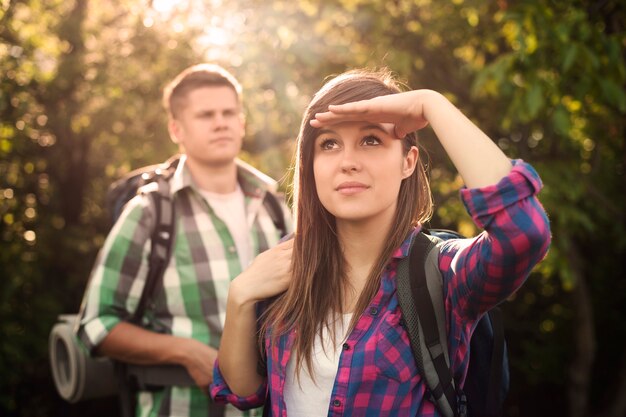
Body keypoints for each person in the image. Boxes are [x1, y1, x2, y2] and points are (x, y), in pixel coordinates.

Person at [210, 69, 551, 416]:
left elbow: (523, 232)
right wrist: (240, 298)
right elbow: (244, 392)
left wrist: (430, 103)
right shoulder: (290, 260)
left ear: (408, 162)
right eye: (329, 144)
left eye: (370, 140)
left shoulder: (442, 275)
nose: (348, 162)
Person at [77, 63, 291, 417]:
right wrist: (186, 352)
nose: (221, 122)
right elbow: (96, 325)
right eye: (205, 114)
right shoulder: (149, 212)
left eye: (229, 112)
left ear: (242, 122)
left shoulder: (274, 206)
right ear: (177, 129)